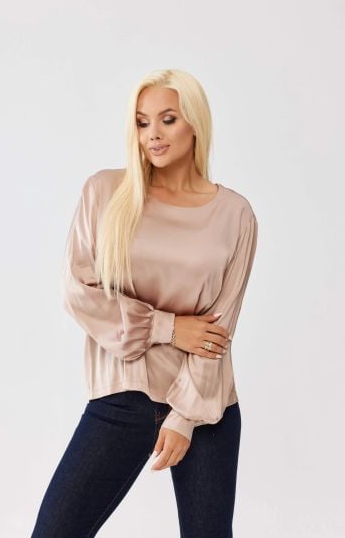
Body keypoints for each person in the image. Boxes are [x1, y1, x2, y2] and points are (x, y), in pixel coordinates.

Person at [30, 68, 258, 537]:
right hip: (124, 397)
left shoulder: (235, 214)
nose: (152, 134)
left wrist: (185, 418)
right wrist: (167, 327)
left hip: (206, 406)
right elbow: (78, 290)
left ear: (195, 123)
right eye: (141, 122)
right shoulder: (106, 192)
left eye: (167, 119)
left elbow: (220, 327)